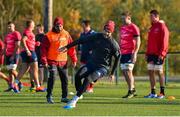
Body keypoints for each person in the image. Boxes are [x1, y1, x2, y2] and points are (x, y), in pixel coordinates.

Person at [60, 20, 120, 109]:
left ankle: (74, 101)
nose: (106, 33)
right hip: (91, 64)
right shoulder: (97, 36)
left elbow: (118, 58)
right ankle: (79, 93)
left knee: (88, 79)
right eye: (105, 30)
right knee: (78, 75)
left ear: (111, 32)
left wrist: (112, 73)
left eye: (109, 32)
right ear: (103, 29)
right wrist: (67, 47)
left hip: (102, 67)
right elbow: (81, 40)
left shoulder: (113, 44)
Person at [41, 17, 77, 104]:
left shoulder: (66, 34)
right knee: (52, 77)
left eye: (61, 26)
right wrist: (44, 60)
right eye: (57, 26)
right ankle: (49, 96)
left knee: (65, 79)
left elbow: (71, 47)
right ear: (54, 25)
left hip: (63, 61)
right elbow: (43, 50)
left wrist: (74, 59)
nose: (59, 28)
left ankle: (64, 97)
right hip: (52, 60)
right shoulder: (48, 35)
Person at [13, 20, 45, 93]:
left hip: (26, 52)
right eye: (33, 24)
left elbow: (28, 41)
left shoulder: (30, 33)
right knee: (35, 69)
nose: (34, 25)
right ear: (30, 25)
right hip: (29, 52)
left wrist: (35, 43)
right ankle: (38, 86)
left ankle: (15, 84)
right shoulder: (27, 32)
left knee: (23, 70)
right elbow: (23, 40)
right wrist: (27, 50)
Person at [144, 9, 169, 99]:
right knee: (150, 72)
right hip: (151, 54)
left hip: (159, 54)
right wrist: (147, 53)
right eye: (150, 16)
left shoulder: (162, 26)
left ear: (157, 17)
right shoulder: (151, 28)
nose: (150, 18)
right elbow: (149, 42)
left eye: (152, 16)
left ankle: (162, 92)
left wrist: (162, 53)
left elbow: (165, 41)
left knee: (159, 72)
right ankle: (153, 92)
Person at [119, 11, 141, 98]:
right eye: (121, 18)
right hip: (123, 53)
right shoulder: (122, 28)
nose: (122, 20)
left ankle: (130, 90)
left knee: (128, 71)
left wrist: (135, 53)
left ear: (129, 18)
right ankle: (132, 89)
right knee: (124, 72)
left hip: (130, 52)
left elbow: (138, 41)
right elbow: (120, 39)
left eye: (124, 18)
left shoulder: (134, 27)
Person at [78, 20, 96, 93]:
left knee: (90, 72)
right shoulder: (82, 34)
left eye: (83, 25)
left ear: (87, 25)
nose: (82, 27)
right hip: (83, 56)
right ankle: (84, 87)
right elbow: (80, 42)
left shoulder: (93, 33)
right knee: (82, 72)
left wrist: (94, 50)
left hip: (91, 57)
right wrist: (79, 49)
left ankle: (90, 88)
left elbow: (97, 43)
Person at [3, 21, 22, 92]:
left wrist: (13, 55)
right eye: (8, 26)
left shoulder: (16, 33)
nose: (9, 27)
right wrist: (3, 53)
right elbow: (5, 46)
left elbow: (18, 45)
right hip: (8, 55)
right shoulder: (7, 36)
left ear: (14, 26)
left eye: (10, 26)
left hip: (14, 54)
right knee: (10, 72)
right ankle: (11, 86)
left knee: (12, 70)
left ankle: (19, 83)